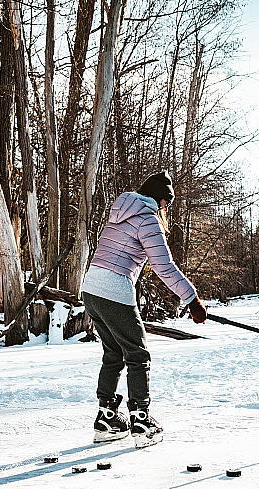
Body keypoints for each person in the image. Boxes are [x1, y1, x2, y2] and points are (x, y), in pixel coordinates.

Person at [81, 170, 207, 447]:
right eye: (167, 205)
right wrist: (192, 299)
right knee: (138, 354)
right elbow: (164, 266)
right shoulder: (148, 219)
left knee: (114, 352)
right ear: (160, 201)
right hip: (114, 289)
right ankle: (141, 421)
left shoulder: (121, 211)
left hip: (91, 288)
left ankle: (107, 418)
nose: (167, 211)